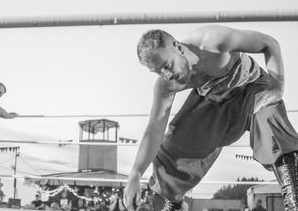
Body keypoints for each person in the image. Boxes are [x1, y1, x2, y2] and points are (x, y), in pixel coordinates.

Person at [124, 25, 298, 211]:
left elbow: (269, 44)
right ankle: (174, 204)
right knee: (171, 146)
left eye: (167, 66)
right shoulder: (166, 85)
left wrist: (278, 87)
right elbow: (154, 130)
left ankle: (294, 198)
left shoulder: (212, 41)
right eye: (158, 72)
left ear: (178, 47)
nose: (166, 75)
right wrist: (135, 173)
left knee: (270, 120)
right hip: (216, 102)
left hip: (251, 86)